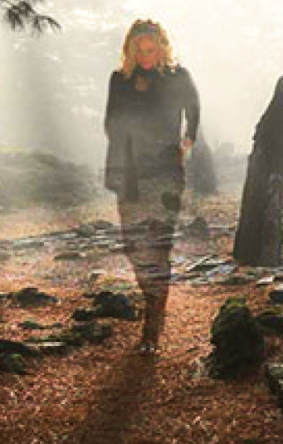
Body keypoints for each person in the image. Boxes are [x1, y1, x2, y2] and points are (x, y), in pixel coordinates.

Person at [103, 18, 200, 353]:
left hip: (165, 173)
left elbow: (194, 107)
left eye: (151, 48)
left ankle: (152, 327)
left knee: (157, 245)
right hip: (129, 173)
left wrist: (188, 138)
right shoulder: (120, 79)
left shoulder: (177, 76)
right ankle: (151, 301)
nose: (145, 55)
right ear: (130, 50)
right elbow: (111, 120)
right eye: (139, 49)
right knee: (134, 246)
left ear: (162, 47)